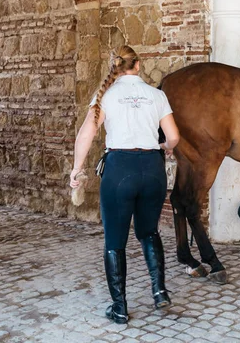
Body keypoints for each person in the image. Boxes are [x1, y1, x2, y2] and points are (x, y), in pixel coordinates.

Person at [69, 46, 180, 324]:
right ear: (138, 65)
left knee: (115, 241)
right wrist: (164, 147)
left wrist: (76, 169)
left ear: (115, 66)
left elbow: (85, 135)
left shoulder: (105, 95)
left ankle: (119, 308)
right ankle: (160, 292)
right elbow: (174, 137)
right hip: (153, 170)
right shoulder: (157, 95)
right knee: (149, 231)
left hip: (119, 170)